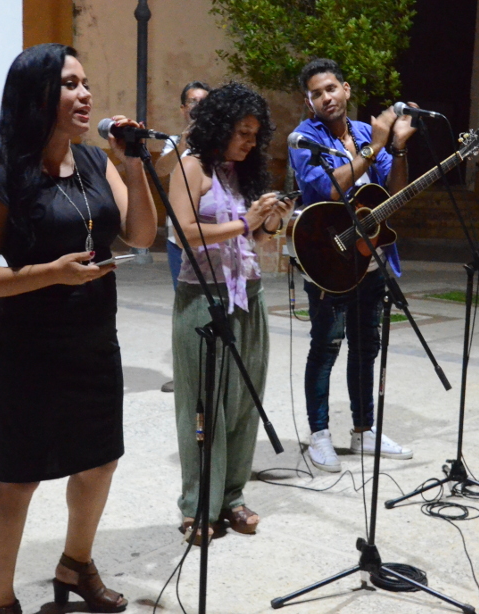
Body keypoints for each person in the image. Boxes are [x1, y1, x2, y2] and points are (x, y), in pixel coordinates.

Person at [0, 43, 157, 614]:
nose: (85, 94)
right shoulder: (4, 178)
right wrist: (47, 273)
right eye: (70, 84)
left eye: (87, 82)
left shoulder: (98, 163)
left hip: (95, 337)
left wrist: (137, 163)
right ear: (39, 96)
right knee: (18, 478)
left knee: (99, 460)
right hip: (28, 347)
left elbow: (141, 235)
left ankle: (75, 564)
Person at [167, 82, 292, 543]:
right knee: (203, 409)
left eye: (256, 135)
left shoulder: (242, 173)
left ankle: (232, 498)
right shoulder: (191, 167)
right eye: (242, 132)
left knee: (243, 403)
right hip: (203, 299)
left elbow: (251, 238)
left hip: (249, 296)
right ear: (219, 126)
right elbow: (185, 232)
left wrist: (269, 221)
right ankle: (198, 505)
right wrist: (246, 221)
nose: (249, 142)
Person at [288, 58, 416, 473]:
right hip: (328, 258)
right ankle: (319, 435)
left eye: (331, 89)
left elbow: (395, 194)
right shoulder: (304, 138)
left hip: (372, 260)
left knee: (366, 347)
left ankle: (364, 430)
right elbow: (325, 187)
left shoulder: (365, 132)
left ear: (346, 89)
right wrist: (374, 146)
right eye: (316, 93)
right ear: (309, 102)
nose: (326, 98)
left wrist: (395, 149)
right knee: (325, 347)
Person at [154, 81, 211, 393]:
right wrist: (185, 139)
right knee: (185, 307)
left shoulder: (220, 142)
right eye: (192, 101)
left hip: (214, 239)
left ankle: (212, 368)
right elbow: (161, 169)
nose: (198, 106)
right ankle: (186, 373)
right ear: (183, 108)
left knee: (216, 304)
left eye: (204, 101)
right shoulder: (174, 142)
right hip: (179, 241)